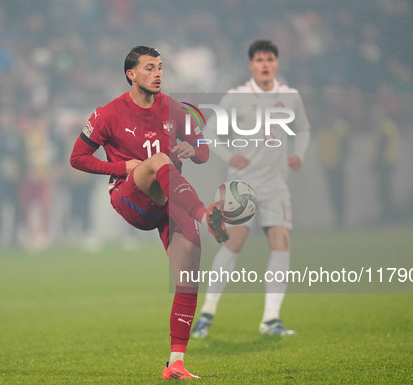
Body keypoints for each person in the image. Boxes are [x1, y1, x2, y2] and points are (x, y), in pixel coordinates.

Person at [70, 46, 229, 380]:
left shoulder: (174, 109)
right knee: (159, 163)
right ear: (131, 74)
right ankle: (205, 214)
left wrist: (193, 149)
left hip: (171, 201)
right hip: (132, 197)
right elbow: (77, 158)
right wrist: (121, 166)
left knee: (187, 278)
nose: (157, 74)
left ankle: (176, 363)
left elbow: (202, 151)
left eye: (160, 67)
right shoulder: (108, 113)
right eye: (149, 68)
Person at [192, 40, 310, 338]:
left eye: (269, 58)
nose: (265, 63)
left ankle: (271, 319)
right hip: (243, 188)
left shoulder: (290, 96)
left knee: (281, 242)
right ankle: (207, 313)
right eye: (259, 59)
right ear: (251, 65)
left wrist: (299, 153)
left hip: (276, 185)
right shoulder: (236, 97)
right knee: (233, 244)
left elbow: (304, 129)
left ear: (277, 62)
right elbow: (209, 132)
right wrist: (231, 156)